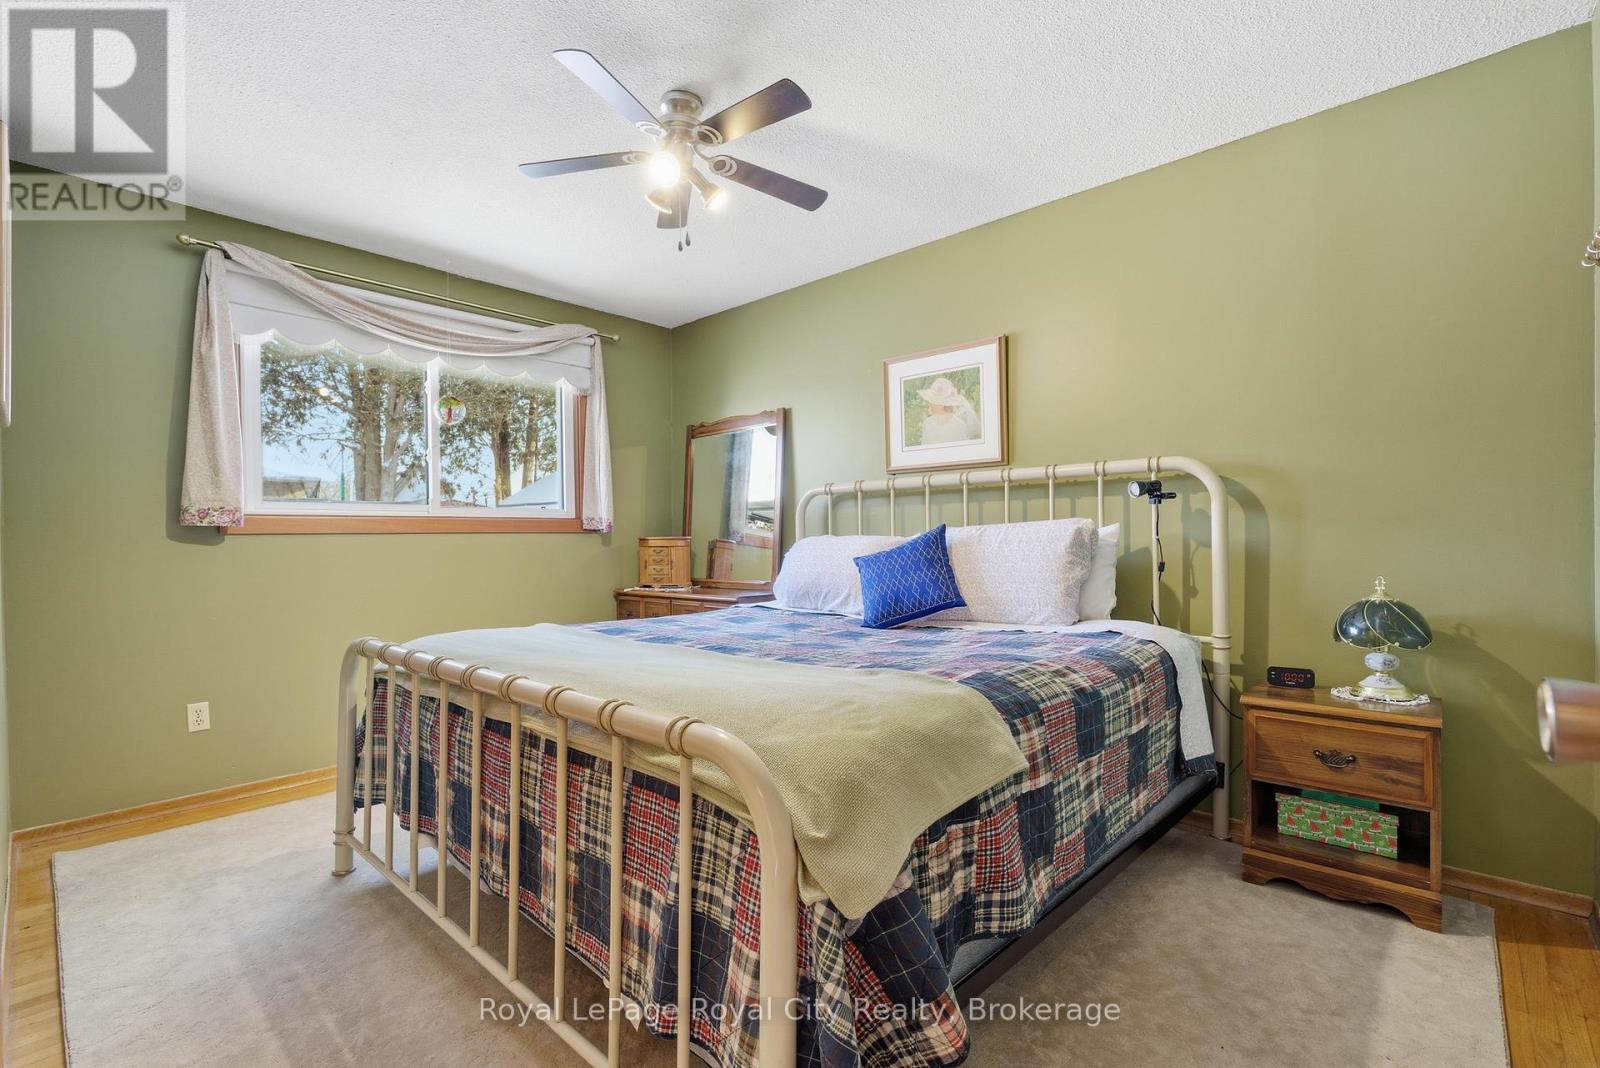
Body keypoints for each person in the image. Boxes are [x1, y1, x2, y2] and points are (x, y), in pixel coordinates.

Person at [916, 377, 981, 444]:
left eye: (932, 401)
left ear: (941, 404)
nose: (929, 404)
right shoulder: (927, 424)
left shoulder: (959, 426)